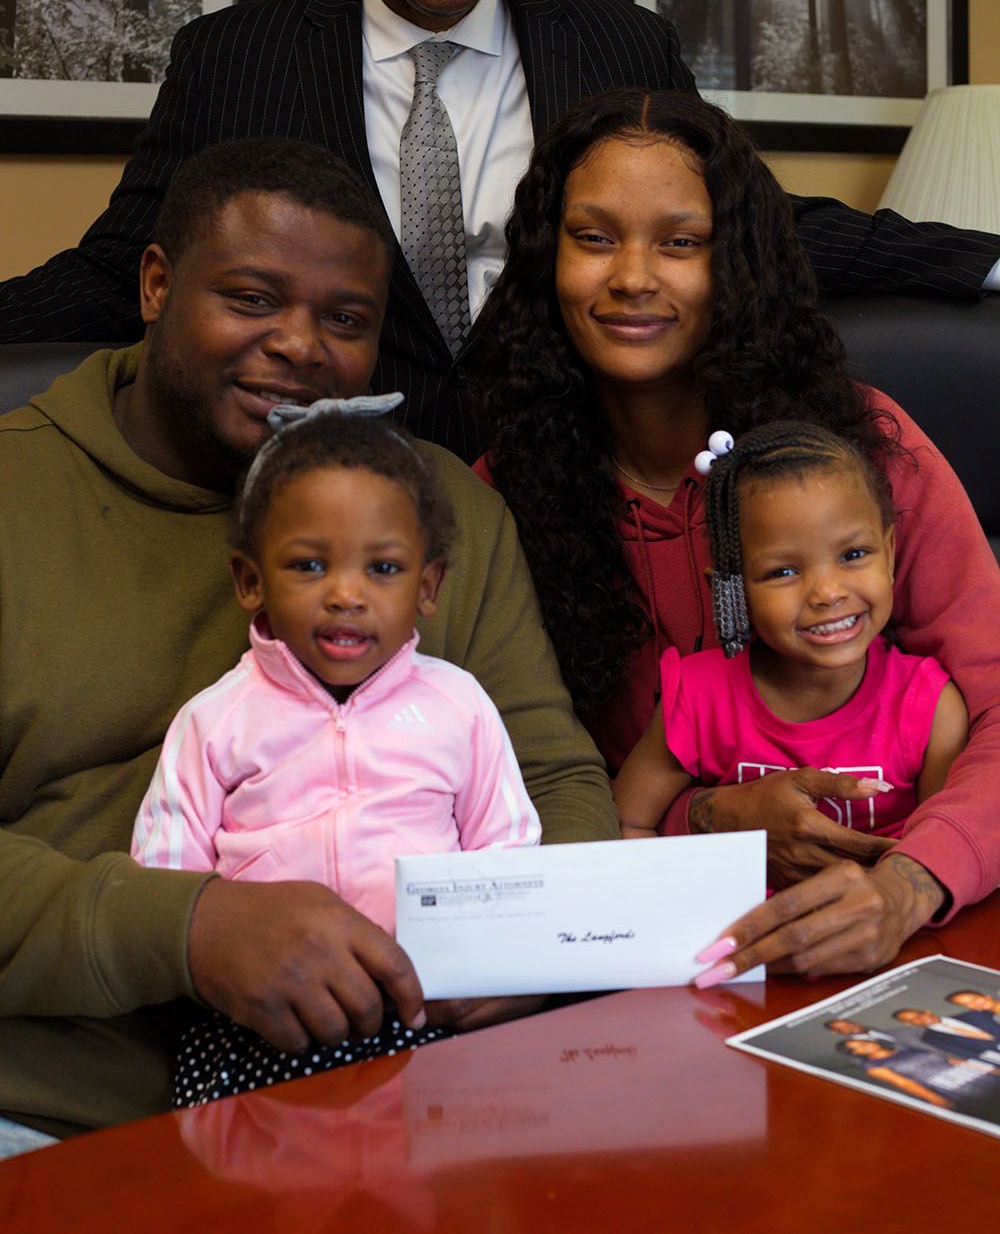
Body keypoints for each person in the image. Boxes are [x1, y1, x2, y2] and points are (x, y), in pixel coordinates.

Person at [2, 0, 999, 462]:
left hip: (559, 509)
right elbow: (116, 270)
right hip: (321, 530)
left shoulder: (618, 43)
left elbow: (749, 227)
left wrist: (984, 262)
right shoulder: (234, 56)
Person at [0, 137, 617, 1146]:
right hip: (55, 1114)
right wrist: (191, 929)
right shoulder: (17, 491)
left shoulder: (437, 511)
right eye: (251, 299)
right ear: (156, 285)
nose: (299, 345)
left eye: (345, 320)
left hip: (402, 1103)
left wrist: (524, 949)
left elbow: (551, 775)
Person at [471, 87, 1000, 981]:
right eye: (594, 237)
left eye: (681, 242)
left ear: (738, 265)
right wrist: (709, 822)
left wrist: (909, 884)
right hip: (652, 950)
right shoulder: (501, 498)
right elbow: (516, 799)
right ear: (544, 260)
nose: (632, 276)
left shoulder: (863, 448)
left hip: (902, 933)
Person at [132, 401, 541, 1104]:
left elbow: (509, 853)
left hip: (428, 1015)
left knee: (425, 1198)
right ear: (250, 581)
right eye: (309, 564)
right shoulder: (215, 720)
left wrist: (488, 965)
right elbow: (164, 884)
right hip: (259, 1028)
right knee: (260, 1197)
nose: (346, 594)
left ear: (429, 586)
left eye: (383, 568)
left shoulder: (458, 705)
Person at [614, 422, 968, 867]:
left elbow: (941, 858)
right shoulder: (697, 698)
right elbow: (626, 825)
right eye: (783, 572)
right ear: (734, 588)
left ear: (891, 551)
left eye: (853, 555)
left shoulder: (932, 710)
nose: (827, 593)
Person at [838, 1036, 1000, 1116]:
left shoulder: (908, 1050)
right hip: (956, 1088)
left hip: (978, 1076)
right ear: (856, 1054)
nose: (864, 1045)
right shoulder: (872, 1066)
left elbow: (952, 1060)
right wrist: (936, 1099)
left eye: (862, 1041)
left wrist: (991, 1070)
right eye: (858, 1047)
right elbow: (904, 1083)